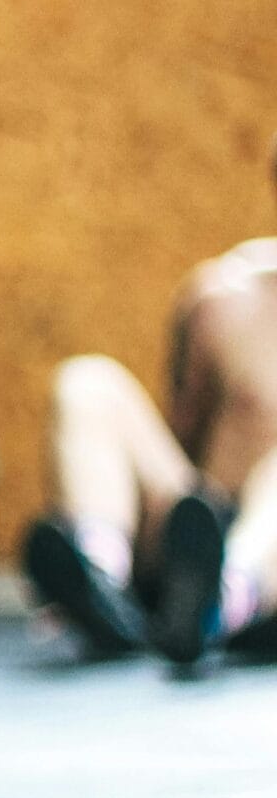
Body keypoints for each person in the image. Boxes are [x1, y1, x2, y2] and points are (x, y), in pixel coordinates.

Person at [25, 146, 277, 667]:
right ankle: (99, 581)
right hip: (200, 532)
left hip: (263, 563)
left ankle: (223, 601)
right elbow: (183, 436)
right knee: (87, 384)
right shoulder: (222, 297)